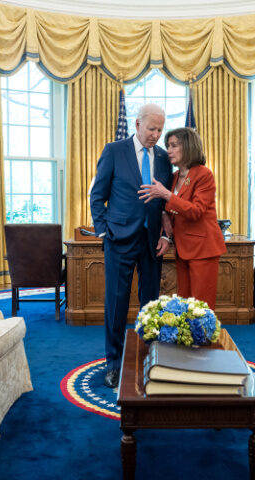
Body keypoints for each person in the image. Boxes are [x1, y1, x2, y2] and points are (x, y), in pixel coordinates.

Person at [90, 104, 173, 388]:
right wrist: (103, 231)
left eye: (160, 130)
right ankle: (113, 363)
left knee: (150, 303)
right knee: (116, 303)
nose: (156, 135)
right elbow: (97, 195)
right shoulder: (113, 151)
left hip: (152, 243)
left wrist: (166, 236)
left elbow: (165, 202)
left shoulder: (163, 158)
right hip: (119, 238)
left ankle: (148, 357)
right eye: (152, 128)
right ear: (137, 124)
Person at [138, 127, 226, 309]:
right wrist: (165, 234)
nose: (168, 150)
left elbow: (196, 211)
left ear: (188, 147)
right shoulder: (174, 177)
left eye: (174, 145)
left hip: (203, 249)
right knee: (186, 303)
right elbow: (170, 213)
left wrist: (166, 195)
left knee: (201, 306)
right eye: (168, 146)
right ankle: (189, 338)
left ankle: (202, 338)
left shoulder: (203, 174)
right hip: (182, 248)